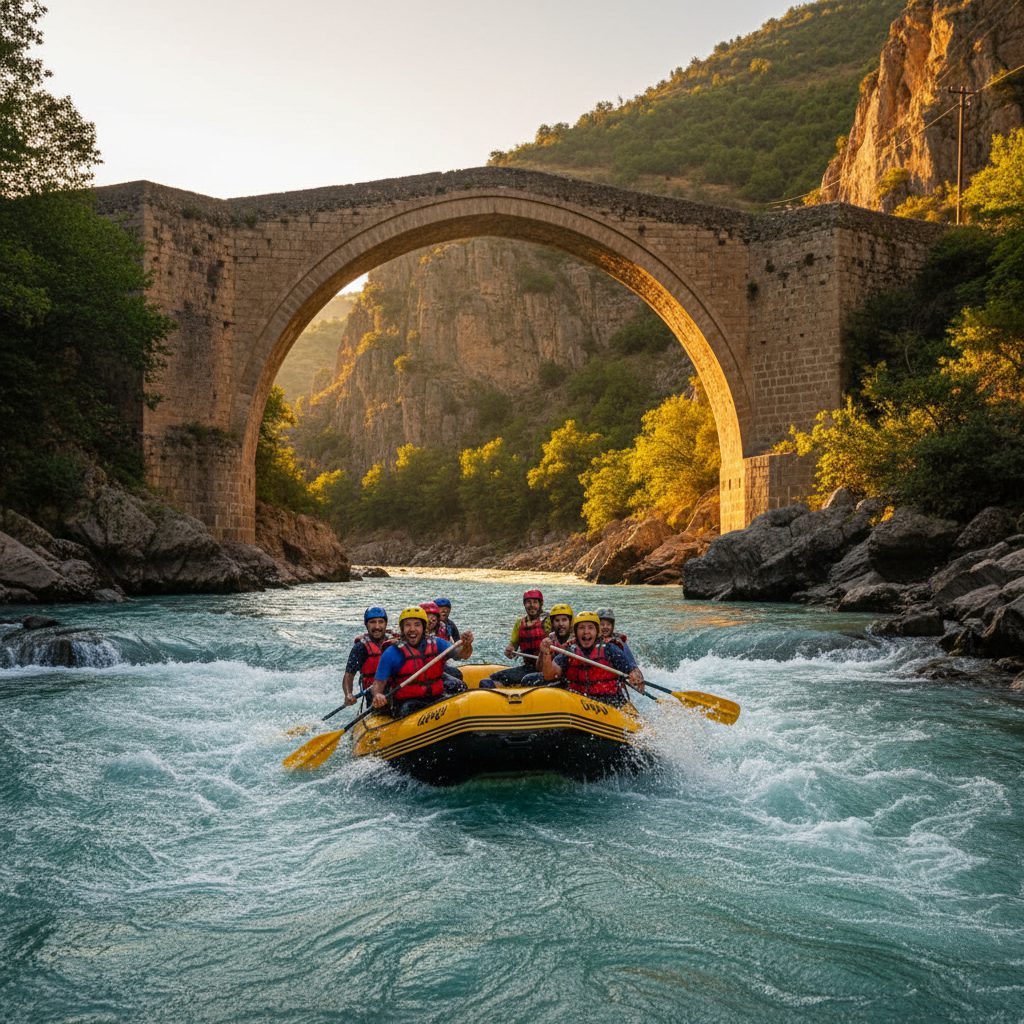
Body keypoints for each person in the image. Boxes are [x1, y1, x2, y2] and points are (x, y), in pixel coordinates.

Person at [371, 606, 474, 717]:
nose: (412, 629)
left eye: (417, 625)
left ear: (424, 627)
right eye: (407, 625)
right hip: (408, 702)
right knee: (407, 709)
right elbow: (378, 683)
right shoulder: (392, 652)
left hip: (435, 696)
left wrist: (467, 644)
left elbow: (463, 655)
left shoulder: (437, 643)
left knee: (459, 688)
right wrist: (377, 695)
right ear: (402, 629)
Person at [539, 610, 644, 706]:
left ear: (597, 632)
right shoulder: (569, 651)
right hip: (579, 700)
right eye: (581, 628)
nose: (586, 632)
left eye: (590, 627)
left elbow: (632, 670)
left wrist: (635, 675)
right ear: (575, 632)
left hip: (610, 701)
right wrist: (546, 654)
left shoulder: (610, 649)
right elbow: (549, 676)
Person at [486, 588, 548, 688]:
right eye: (528, 602)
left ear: (541, 604)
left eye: (535, 602)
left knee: (528, 680)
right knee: (493, 679)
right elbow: (511, 649)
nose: (532, 605)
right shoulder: (519, 623)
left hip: (548, 667)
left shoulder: (548, 620)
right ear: (524, 604)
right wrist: (509, 651)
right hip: (529, 667)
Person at [342, 606, 395, 708]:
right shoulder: (360, 648)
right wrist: (348, 694)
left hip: (396, 692)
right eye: (372, 622)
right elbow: (349, 675)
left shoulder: (394, 642)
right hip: (374, 697)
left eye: (381, 622)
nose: (377, 626)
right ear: (366, 624)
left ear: (386, 624)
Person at [597, 607, 643, 682]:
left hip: (614, 675)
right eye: (602, 624)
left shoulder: (617, 641)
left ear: (612, 626)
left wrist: (633, 669)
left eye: (608, 624)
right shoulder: (588, 640)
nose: (605, 627)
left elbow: (628, 657)